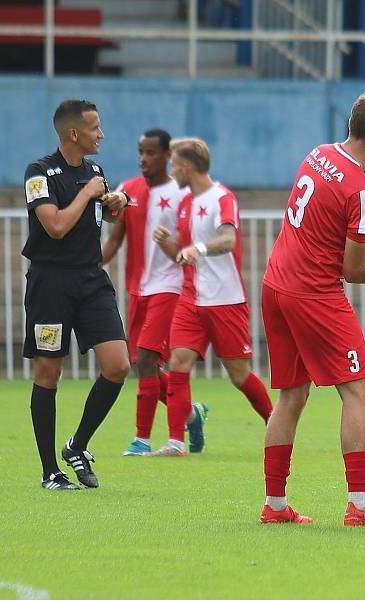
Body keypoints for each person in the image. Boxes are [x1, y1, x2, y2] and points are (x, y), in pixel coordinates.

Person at [259, 92, 365, 526]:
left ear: (350, 122)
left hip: (275, 283)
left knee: (291, 395)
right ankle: (362, 506)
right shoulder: (363, 191)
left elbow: (328, 210)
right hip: (313, 293)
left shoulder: (319, 153)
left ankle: (274, 506)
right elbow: (354, 271)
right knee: (358, 391)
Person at [23, 99, 130, 490]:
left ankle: (77, 446)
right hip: (50, 283)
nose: (101, 134)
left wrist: (115, 203)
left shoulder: (95, 171)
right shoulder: (39, 172)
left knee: (118, 365)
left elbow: (100, 214)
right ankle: (50, 470)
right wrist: (88, 194)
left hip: (90, 278)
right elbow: (54, 227)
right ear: (73, 133)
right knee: (49, 371)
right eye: (95, 127)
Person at [147, 137, 273, 457]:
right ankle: (175, 442)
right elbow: (183, 252)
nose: (171, 171)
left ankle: (276, 424)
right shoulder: (186, 204)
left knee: (238, 375)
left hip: (225, 299)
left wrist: (197, 248)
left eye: (174, 164)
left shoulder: (223, 198)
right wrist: (167, 244)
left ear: (187, 167)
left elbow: (228, 240)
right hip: (192, 297)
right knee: (178, 363)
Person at [101, 129, 209, 456]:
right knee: (143, 365)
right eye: (140, 152)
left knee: (147, 358)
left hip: (171, 288)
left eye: (150, 152)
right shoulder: (128, 190)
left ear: (167, 156)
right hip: (139, 290)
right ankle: (191, 414)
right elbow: (114, 237)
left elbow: (190, 241)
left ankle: (142, 439)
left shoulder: (182, 193)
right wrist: (90, 263)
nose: (143, 158)